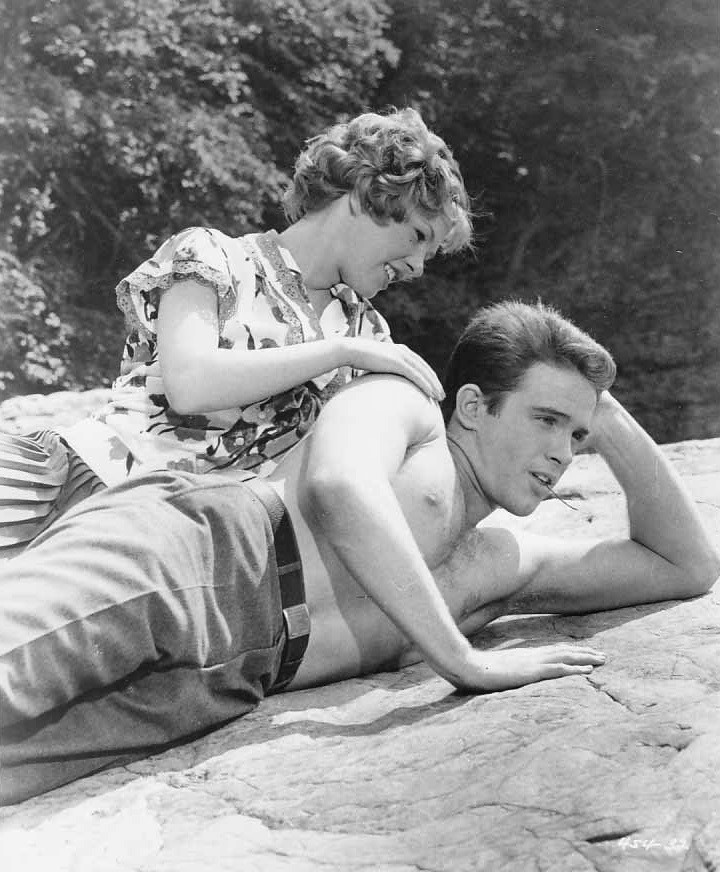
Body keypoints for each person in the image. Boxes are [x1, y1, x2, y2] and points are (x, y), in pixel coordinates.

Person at [1, 301, 717, 804]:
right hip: (199, 556)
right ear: (473, 406)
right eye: (547, 420)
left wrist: (604, 412)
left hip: (228, 681)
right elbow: (340, 487)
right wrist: (463, 660)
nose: (562, 452)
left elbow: (685, 566)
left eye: (576, 435)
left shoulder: (498, 563)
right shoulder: (404, 407)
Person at [0, 107, 472, 558]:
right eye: (418, 236)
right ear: (364, 195)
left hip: (184, 543)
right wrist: (338, 352)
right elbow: (191, 385)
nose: (417, 267)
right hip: (87, 486)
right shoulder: (214, 256)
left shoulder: (369, 333)